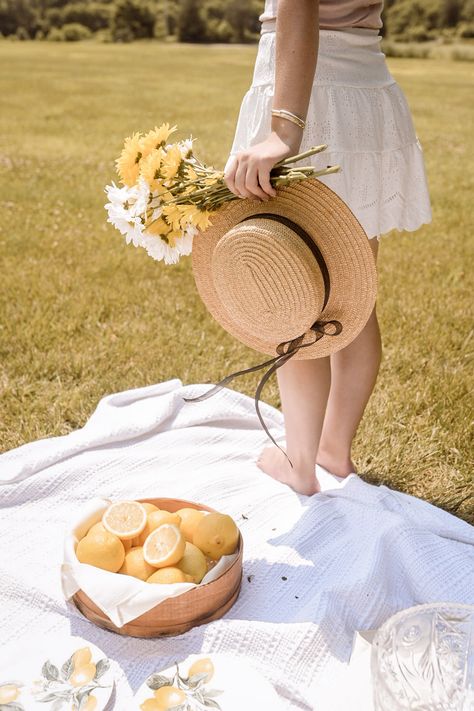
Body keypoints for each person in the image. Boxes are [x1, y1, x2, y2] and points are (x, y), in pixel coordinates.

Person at [223, 0, 432, 495]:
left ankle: (300, 465)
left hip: (309, 93)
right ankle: (333, 449)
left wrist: (283, 129)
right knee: (351, 292)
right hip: (364, 88)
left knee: (296, 292)